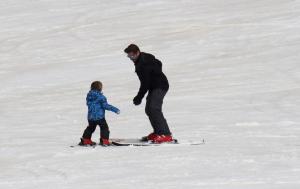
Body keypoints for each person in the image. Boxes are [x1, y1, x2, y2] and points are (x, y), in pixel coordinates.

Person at [124, 44, 173, 143]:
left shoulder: (143, 64)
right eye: (129, 56)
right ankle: (158, 132)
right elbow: (159, 63)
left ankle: (165, 134)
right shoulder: (144, 57)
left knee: (154, 108)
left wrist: (139, 97)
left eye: (132, 56)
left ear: (137, 52)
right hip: (154, 86)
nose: (130, 58)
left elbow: (145, 83)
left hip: (160, 86)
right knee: (149, 109)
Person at [79, 81, 120, 146]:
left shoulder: (89, 96)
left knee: (90, 128)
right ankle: (104, 141)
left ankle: (86, 140)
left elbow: (88, 104)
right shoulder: (101, 97)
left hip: (91, 117)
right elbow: (105, 106)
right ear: (100, 88)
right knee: (104, 128)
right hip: (99, 117)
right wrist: (115, 109)